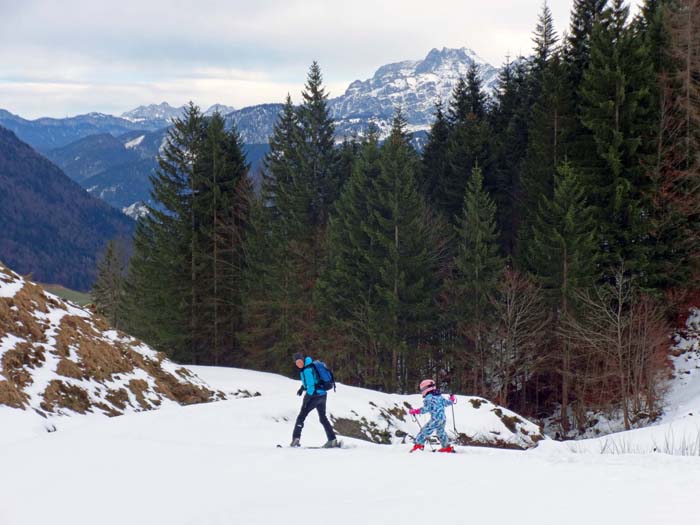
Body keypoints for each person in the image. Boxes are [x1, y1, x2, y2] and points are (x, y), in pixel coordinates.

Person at [290, 352, 339, 448]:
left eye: (300, 361)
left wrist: (307, 398)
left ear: (303, 360)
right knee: (323, 418)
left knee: (301, 417)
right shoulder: (309, 367)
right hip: (322, 396)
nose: (299, 364)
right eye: (297, 363)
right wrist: (302, 388)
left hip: (315, 397)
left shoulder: (307, 370)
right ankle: (332, 439)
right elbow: (312, 382)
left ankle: (295, 439)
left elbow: (311, 387)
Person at [408, 379, 456, 453]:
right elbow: (447, 403)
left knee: (424, 431)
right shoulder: (439, 396)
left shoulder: (429, 398)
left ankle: (419, 445)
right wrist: (452, 399)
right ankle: (446, 447)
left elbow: (426, 409)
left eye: (422, 390)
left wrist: (416, 411)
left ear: (426, 389)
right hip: (442, 419)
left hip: (435, 419)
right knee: (441, 432)